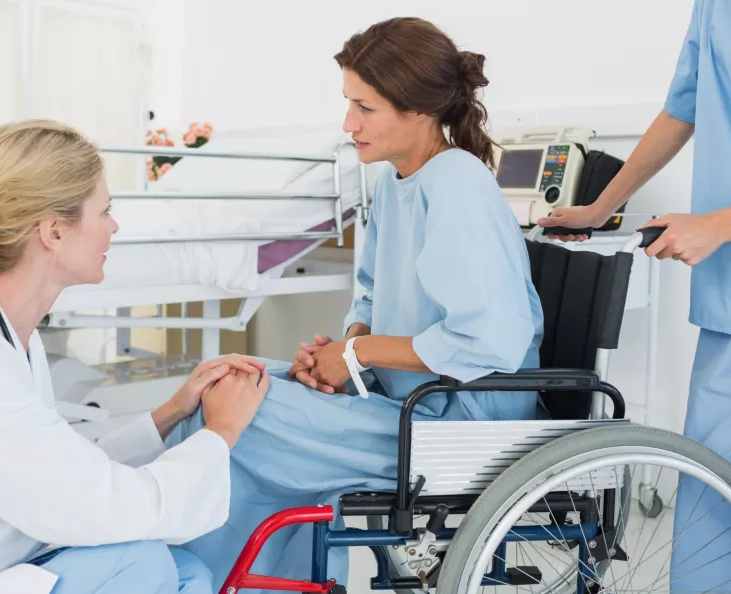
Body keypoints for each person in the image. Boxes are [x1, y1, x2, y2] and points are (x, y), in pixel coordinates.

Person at [168, 17, 544, 591]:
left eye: (364, 108)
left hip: (460, 420)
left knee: (241, 414)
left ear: (418, 109)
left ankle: (197, 579)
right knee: (228, 377)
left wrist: (360, 353)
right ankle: (204, 577)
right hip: (407, 404)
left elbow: (489, 340)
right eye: (349, 104)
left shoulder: (458, 185)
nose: (348, 125)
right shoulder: (396, 182)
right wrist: (341, 355)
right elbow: (369, 291)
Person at [0, 120, 270, 594]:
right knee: (142, 563)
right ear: (53, 231)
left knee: (190, 572)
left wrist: (170, 413)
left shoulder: (4, 329)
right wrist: (221, 433)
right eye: (105, 211)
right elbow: (99, 504)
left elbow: (55, 470)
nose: (114, 227)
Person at [538, 1, 731, 591]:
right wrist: (601, 206)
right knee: (715, 494)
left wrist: (720, 225)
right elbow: (683, 107)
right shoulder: (718, 6)